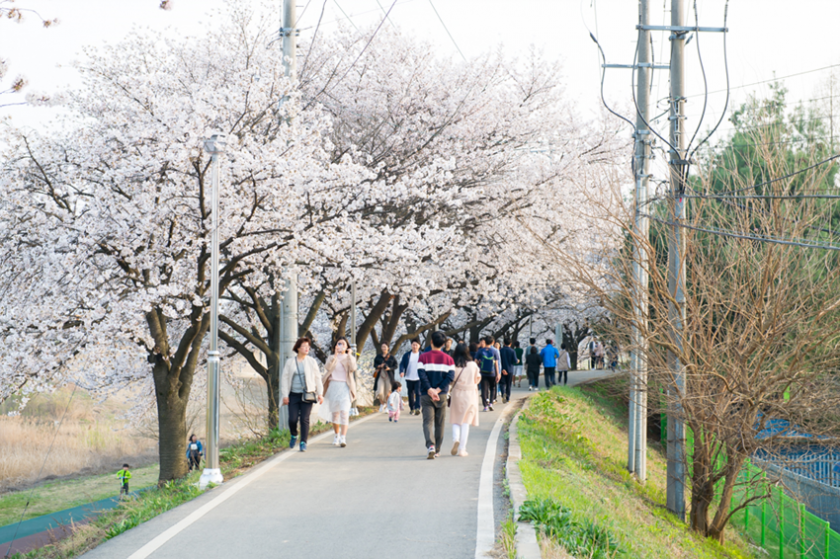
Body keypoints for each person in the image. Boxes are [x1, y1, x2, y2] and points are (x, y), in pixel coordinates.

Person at [281, 337, 325, 452]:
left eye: (308, 346)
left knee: (305, 419)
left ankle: (303, 442)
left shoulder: (311, 361)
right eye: (304, 346)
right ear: (298, 348)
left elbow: (317, 378)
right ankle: (294, 435)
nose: (307, 348)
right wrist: (285, 395)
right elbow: (285, 379)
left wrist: (320, 393)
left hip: (308, 394)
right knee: (292, 419)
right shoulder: (290, 362)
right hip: (293, 395)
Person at [418, 330, 455, 459]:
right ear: (444, 344)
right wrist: (438, 390)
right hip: (442, 394)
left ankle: (430, 446)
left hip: (426, 394)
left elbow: (421, 374)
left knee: (427, 421)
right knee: (440, 422)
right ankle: (438, 449)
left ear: (431, 342)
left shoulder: (423, 357)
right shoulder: (449, 359)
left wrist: (430, 389)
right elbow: (451, 376)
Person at [319, 337, 357, 448]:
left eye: (343, 344)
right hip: (333, 386)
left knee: (344, 412)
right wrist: (335, 355)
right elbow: (327, 367)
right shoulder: (331, 357)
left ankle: (343, 437)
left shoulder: (350, 357)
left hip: (345, 387)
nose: (341, 346)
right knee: (335, 414)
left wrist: (349, 355)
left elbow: (353, 368)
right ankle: (336, 435)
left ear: (347, 346)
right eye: (339, 344)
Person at [449, 342, 481, 457]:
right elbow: (477, 379)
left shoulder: (454, 364)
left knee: (456, 419)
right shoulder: (473, 365)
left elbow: (451, 380)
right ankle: (462, 449)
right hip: (470, 394)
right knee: (466, 422)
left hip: (457, 393)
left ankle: (455, 439)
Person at [476, 338, 500, 411]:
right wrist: (498, 374)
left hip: (483, 373)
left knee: (484, 389)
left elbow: (475, 361)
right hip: (492, 373)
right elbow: (496, 364)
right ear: (492, 342)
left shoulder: (480, 351)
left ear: (485, 342)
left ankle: (485, 406)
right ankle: (491, 403)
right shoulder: (495, 351)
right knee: (492, 388)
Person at [400, 339, 422, 416]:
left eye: (416, 345)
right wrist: (401, 371)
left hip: (418, 377)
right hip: (409, 377)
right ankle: (412, 408)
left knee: (418, 393)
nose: (415, 346)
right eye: (413, 345)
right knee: (410, 393)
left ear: (419, 346)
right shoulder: (407, 355)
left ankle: (417, 408)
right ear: (411, 345)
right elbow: (402, 364)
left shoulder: (422, 355)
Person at [373, 343, 398, 413]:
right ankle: (382, 404)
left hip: (389, 376)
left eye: (385, 347)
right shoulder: (378, 356)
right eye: (382, 347)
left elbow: (396, 366)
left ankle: (387, 406)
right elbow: (374, 364)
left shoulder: (391, 357)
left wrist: (389, 368)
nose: (383, 348)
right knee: (379, 392)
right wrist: (379, 366)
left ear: (388, 348)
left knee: (388, 392)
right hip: (380, 375)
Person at [499, 338, 517, 403]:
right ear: (510, 343)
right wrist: (518, 360)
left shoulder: (501, 351)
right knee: (508, 384)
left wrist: (502, 369)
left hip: (502, 369)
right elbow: (515, 360)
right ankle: (508, 398)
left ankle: (503, 393)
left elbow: (499, 361)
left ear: (504, 343)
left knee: (502, 384)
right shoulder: (512, 351)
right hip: (510, 369)